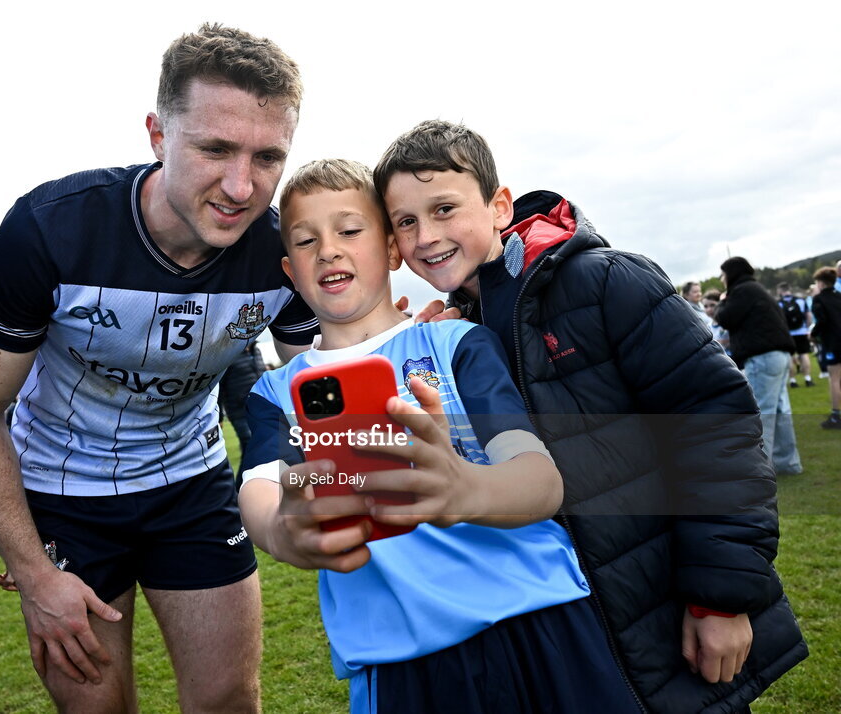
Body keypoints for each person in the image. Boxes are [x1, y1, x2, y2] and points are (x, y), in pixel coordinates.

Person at [373, 120, 806, 713]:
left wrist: (720, 599)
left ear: (499, 206)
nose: (427, 236)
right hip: (578, 632)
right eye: (406, 221)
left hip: (667, 603)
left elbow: (715, 426)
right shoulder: (456, 334)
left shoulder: (604, 281)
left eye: (445, 208)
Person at [0, 24, 319, 713]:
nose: (241, 186)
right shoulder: (48, 230)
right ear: (157, 134)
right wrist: (32, 574)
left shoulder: (284, 250)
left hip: (190, 483)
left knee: (230, 700)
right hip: (62, 495)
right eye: (214, 148)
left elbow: (319, 383)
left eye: (269, 157)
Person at [238, 159, 639, 713]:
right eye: (307, 241)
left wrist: (464, 489)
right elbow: (258, 490)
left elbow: (540, 480)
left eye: (350, 231)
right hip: (401, 659)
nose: (328, 250)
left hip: (541, 621)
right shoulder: (277, 392)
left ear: (391, 249)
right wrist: (283, 534)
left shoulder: (455, 344)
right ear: (289, 269)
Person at [716, 258, 803, 474]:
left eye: (722, 274)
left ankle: (761, 469)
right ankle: (788, 463)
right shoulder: (757, 289)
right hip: (779, 354)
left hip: (762, 356)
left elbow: (726, 318)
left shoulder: (742, 291)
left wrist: (723, 300)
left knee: (762, 412)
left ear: (731, 273)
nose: (721, 279)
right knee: (781, 412)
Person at [811, 266, 841, 429]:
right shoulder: (839, 296)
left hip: (833, 343)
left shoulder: (819, 299)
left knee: (834, 379)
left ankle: (836, 416)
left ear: (821, 283)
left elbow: (821, 321)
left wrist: (813, 334)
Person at [775, 282, 814, 388]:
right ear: (789, 289)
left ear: (780, 291)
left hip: (788, 334)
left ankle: (793, 381)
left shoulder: (778, 303)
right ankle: (808, 379)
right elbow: (808, 316)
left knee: (790, 357)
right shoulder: (800, 300)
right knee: (804, 355)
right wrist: (807, 328)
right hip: (801, 331)